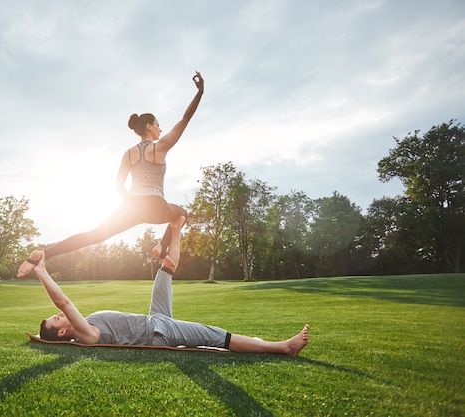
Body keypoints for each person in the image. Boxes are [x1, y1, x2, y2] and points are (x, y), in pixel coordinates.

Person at [18, 72, 205, 277]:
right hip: (154, 203)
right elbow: (185, 119)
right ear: (149, 127)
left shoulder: (128, 154)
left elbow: (118, 185)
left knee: (94, 235)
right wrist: (200, 93)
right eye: (158, 125)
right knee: (181, 213)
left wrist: (131, 203)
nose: (161, 129)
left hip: (131, 205)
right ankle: (161, 246)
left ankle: (43, 253)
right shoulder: (158, 148)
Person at [27, 249, 310, 355]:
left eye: (55, 316)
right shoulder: (87, 335)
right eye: (56, 320)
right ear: (63, 332)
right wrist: (41, 271)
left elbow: (63, 308)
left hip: (155, 318)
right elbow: (64, 301)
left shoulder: (87, 325)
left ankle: (176, 224)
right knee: (218, 337)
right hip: (160, 332)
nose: (58, 315)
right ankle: (283, 348)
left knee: (165, 269)